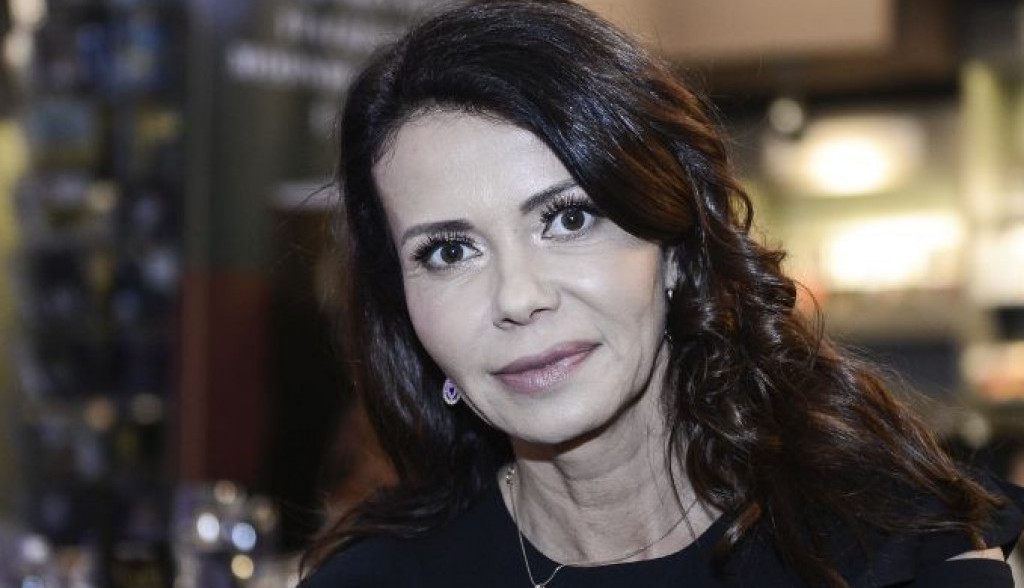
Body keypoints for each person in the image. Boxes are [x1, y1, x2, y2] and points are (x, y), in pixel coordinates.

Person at [297, 1, 1024, 586]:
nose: (517, 297)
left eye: (568, 219)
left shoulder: (890, 550)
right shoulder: (374, 578)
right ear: (404, 306)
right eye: (450, 252)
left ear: (674, 247)